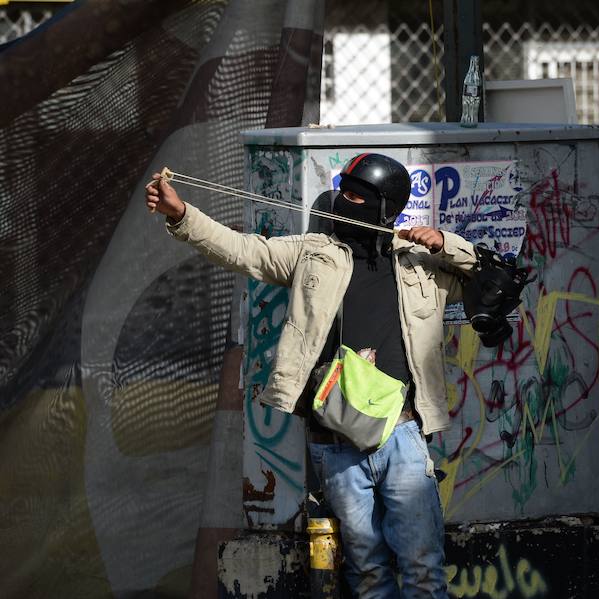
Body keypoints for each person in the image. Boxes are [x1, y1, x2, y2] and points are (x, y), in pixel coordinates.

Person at [146, 153, 477, 598]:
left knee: (423, 568)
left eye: (357, 196)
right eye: (344, 191)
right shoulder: (312, 253)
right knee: (367, 572)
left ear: (386, 207)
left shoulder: (420, 264)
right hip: (334, 442)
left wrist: (445, 243)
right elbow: (244, 250)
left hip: (402, 435)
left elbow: (493, 278)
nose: (344, 201)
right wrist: (181, 214)